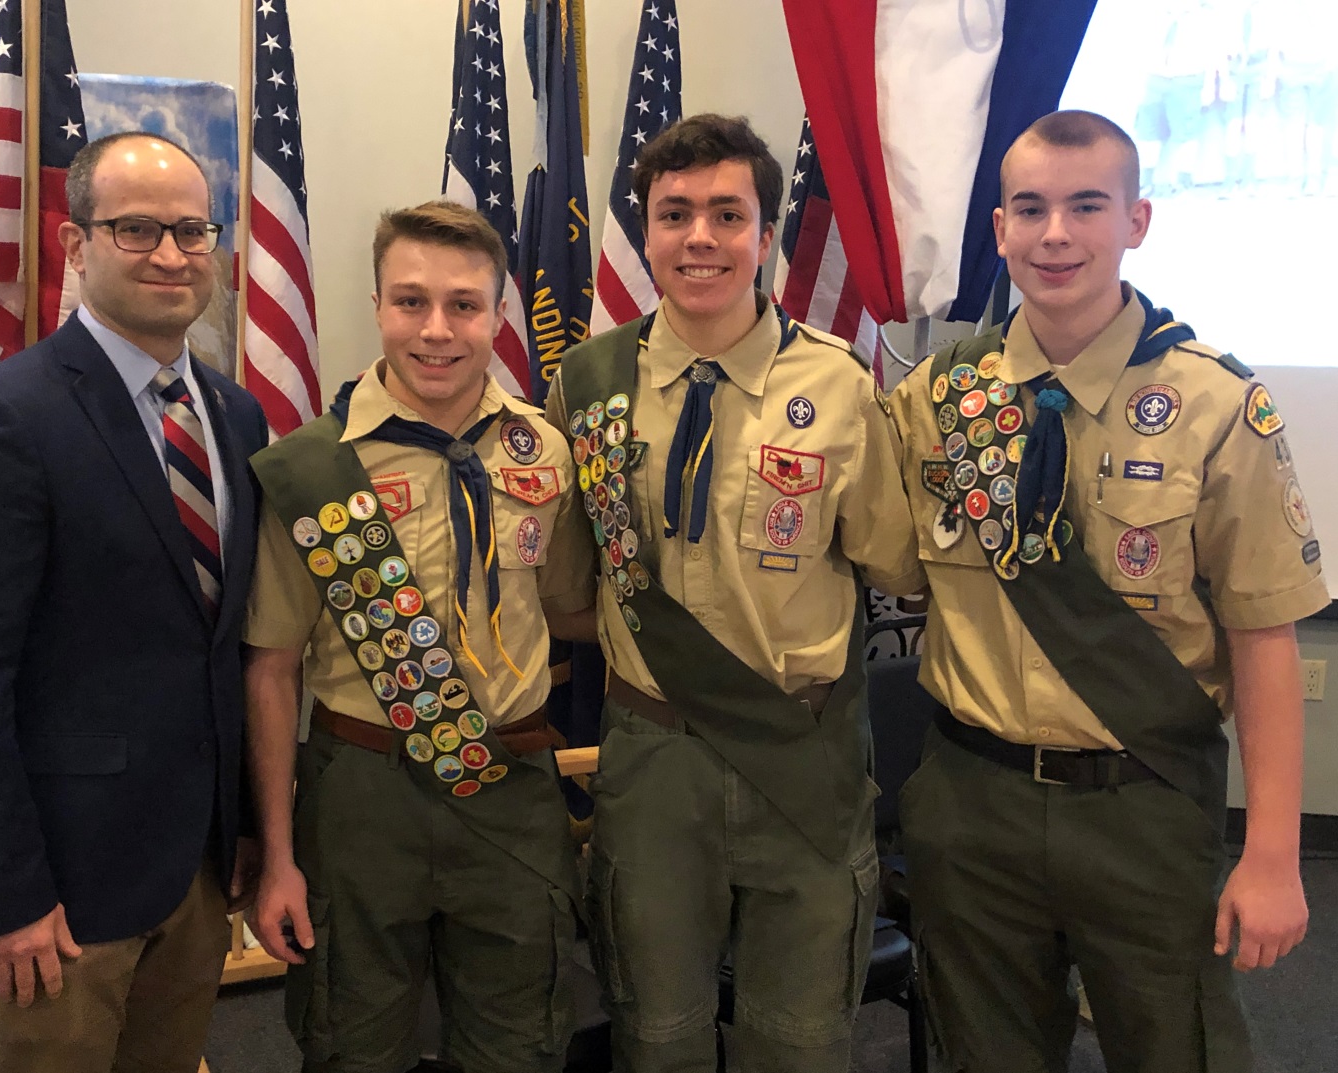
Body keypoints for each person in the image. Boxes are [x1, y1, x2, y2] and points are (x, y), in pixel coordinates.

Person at [888, 109, 1327, 1073]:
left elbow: (1262, 635)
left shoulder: (1213, 402)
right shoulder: (933, 402)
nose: (1055, 234)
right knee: (985, 1050)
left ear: (1135, 221)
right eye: (1030, 208)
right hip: (972, 794)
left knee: (1176, 1047)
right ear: (998, 226)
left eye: (1086, 205)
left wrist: (1271, 854)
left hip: (1141, 798)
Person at [544, 114, 924, 1073]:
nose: (700, 238)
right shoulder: (587, 382)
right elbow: (567, 589)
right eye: (674, 215)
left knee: (798, 1039)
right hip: (651, 754)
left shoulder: (836, 385)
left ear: (765, 235)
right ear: (648, 232)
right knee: (656, 1031)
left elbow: (893, 566)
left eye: (727, 213)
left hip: (802, 746)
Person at [0, 131, 267, 1073]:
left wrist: (248, 828)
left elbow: (219, 646)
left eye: (192, 230)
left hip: (196, 867)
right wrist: (7, 895)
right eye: (136, 228)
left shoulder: (235, 416)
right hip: (60, 892)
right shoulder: (0, 417)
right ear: (76, 245)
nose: (170, 253)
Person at [244, 200, 594, 1073]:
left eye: (464, 305)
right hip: (362, 790)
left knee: (521, 1039)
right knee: (351, 1039)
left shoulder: (543, 451)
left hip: (508, 783)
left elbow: (569, 608)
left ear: (498, 312)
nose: (436, 330)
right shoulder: (314, 465)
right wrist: (278, 856)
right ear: (376, 307)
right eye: (410, 302)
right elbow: (272, 668)